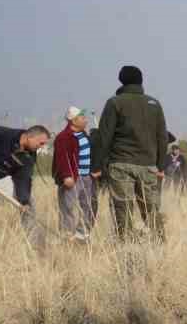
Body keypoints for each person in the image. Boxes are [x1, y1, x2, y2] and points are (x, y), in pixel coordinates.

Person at [92, 65, 169, 241]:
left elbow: (104, 137)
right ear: (141, 80)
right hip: (149, 166)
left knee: (122, 207)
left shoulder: (115, 102)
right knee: (151, 208)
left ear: (121, 80)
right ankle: (160, 243)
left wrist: (97, 166)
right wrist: (160, 165)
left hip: (121, 164)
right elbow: (162, 137)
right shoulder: (154, 104)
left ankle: (126, 246)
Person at [51, 106, 99, 240]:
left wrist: (94, 170)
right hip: (73, 178)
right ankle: (67, 236)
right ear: (74, 120)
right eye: (83, 118)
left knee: (88, 206)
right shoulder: (64, 137)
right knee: (68, 207)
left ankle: (82, 235)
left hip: (87, 177)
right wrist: (66, 175)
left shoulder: (84, 135)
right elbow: (61, 158)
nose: (86, 121)